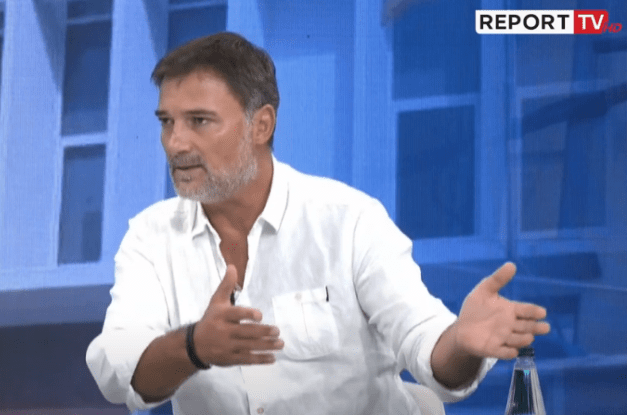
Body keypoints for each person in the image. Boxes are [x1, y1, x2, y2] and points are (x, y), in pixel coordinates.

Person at [85, 32, 550, 415]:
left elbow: (427, 346)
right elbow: (118, 371)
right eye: (167, 122)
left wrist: (463, 343)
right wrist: (194, 347)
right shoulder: (150, 238)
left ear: (261, 125)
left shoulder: (349, 221)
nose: (175, 143)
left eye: (199, 121)